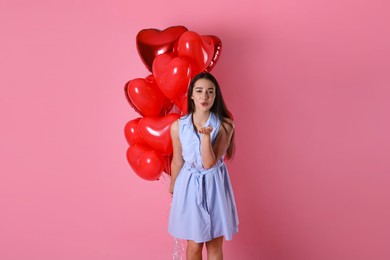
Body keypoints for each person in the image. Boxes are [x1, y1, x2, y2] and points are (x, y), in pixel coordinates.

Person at [168, 72, 239, 260]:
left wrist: (206, 137)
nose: (204, 97)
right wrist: (174, 187)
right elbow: (177, 160)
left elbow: (209, 163)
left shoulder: (225, 125)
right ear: (192, 95)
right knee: (194, 244)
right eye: (199, 91)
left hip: (214, 185)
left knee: (215, 243)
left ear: (216, 96)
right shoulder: (178, 126)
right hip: (189, 185)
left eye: (210, 92)